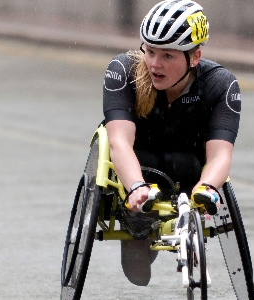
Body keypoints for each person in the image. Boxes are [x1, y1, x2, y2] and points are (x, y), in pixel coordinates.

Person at [102, 0, 241, 286]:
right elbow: (118, 142)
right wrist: (136, 187)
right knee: (137, 274)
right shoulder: (123, 71)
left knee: (188, 164)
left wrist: (208, 187)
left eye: (167, 56)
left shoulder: (221, 84)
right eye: (150, 52)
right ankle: (139, 227)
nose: (154, 64)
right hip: (139, 169)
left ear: (195, 56)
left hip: (187, 171)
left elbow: (220, 155)